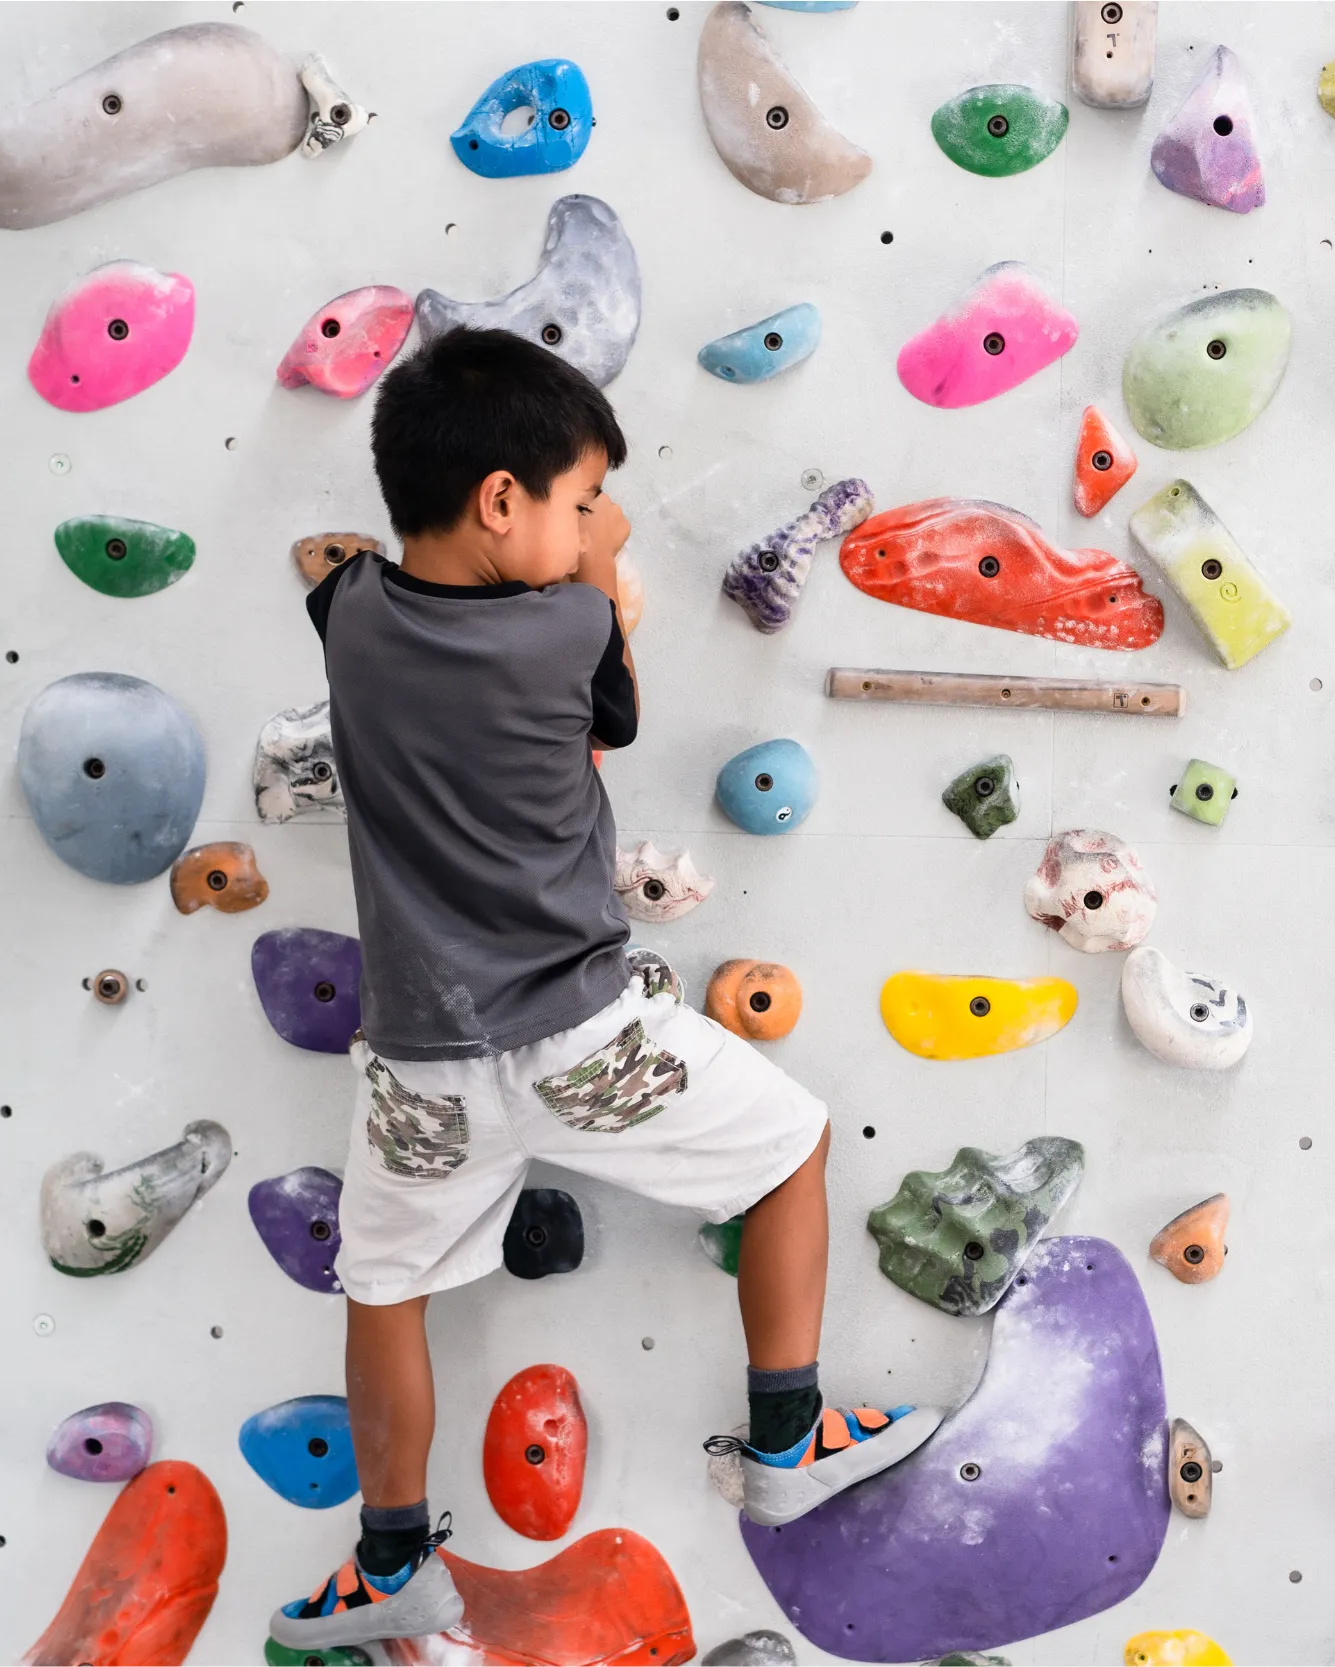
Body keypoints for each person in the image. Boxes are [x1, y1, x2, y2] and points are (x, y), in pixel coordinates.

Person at [270, 327, 940, 1650]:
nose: (590, 523)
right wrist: (608, 549)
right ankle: (790, 1433)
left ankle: (395, 1552)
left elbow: (451, 558)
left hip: (421, 1070)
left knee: (384, 1287)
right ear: (504, 502)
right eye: (571, 498)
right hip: (582, 1038)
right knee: (794, 1145)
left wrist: (572, 508)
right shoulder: (570, 625)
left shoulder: (345, 612)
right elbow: (608, 675)